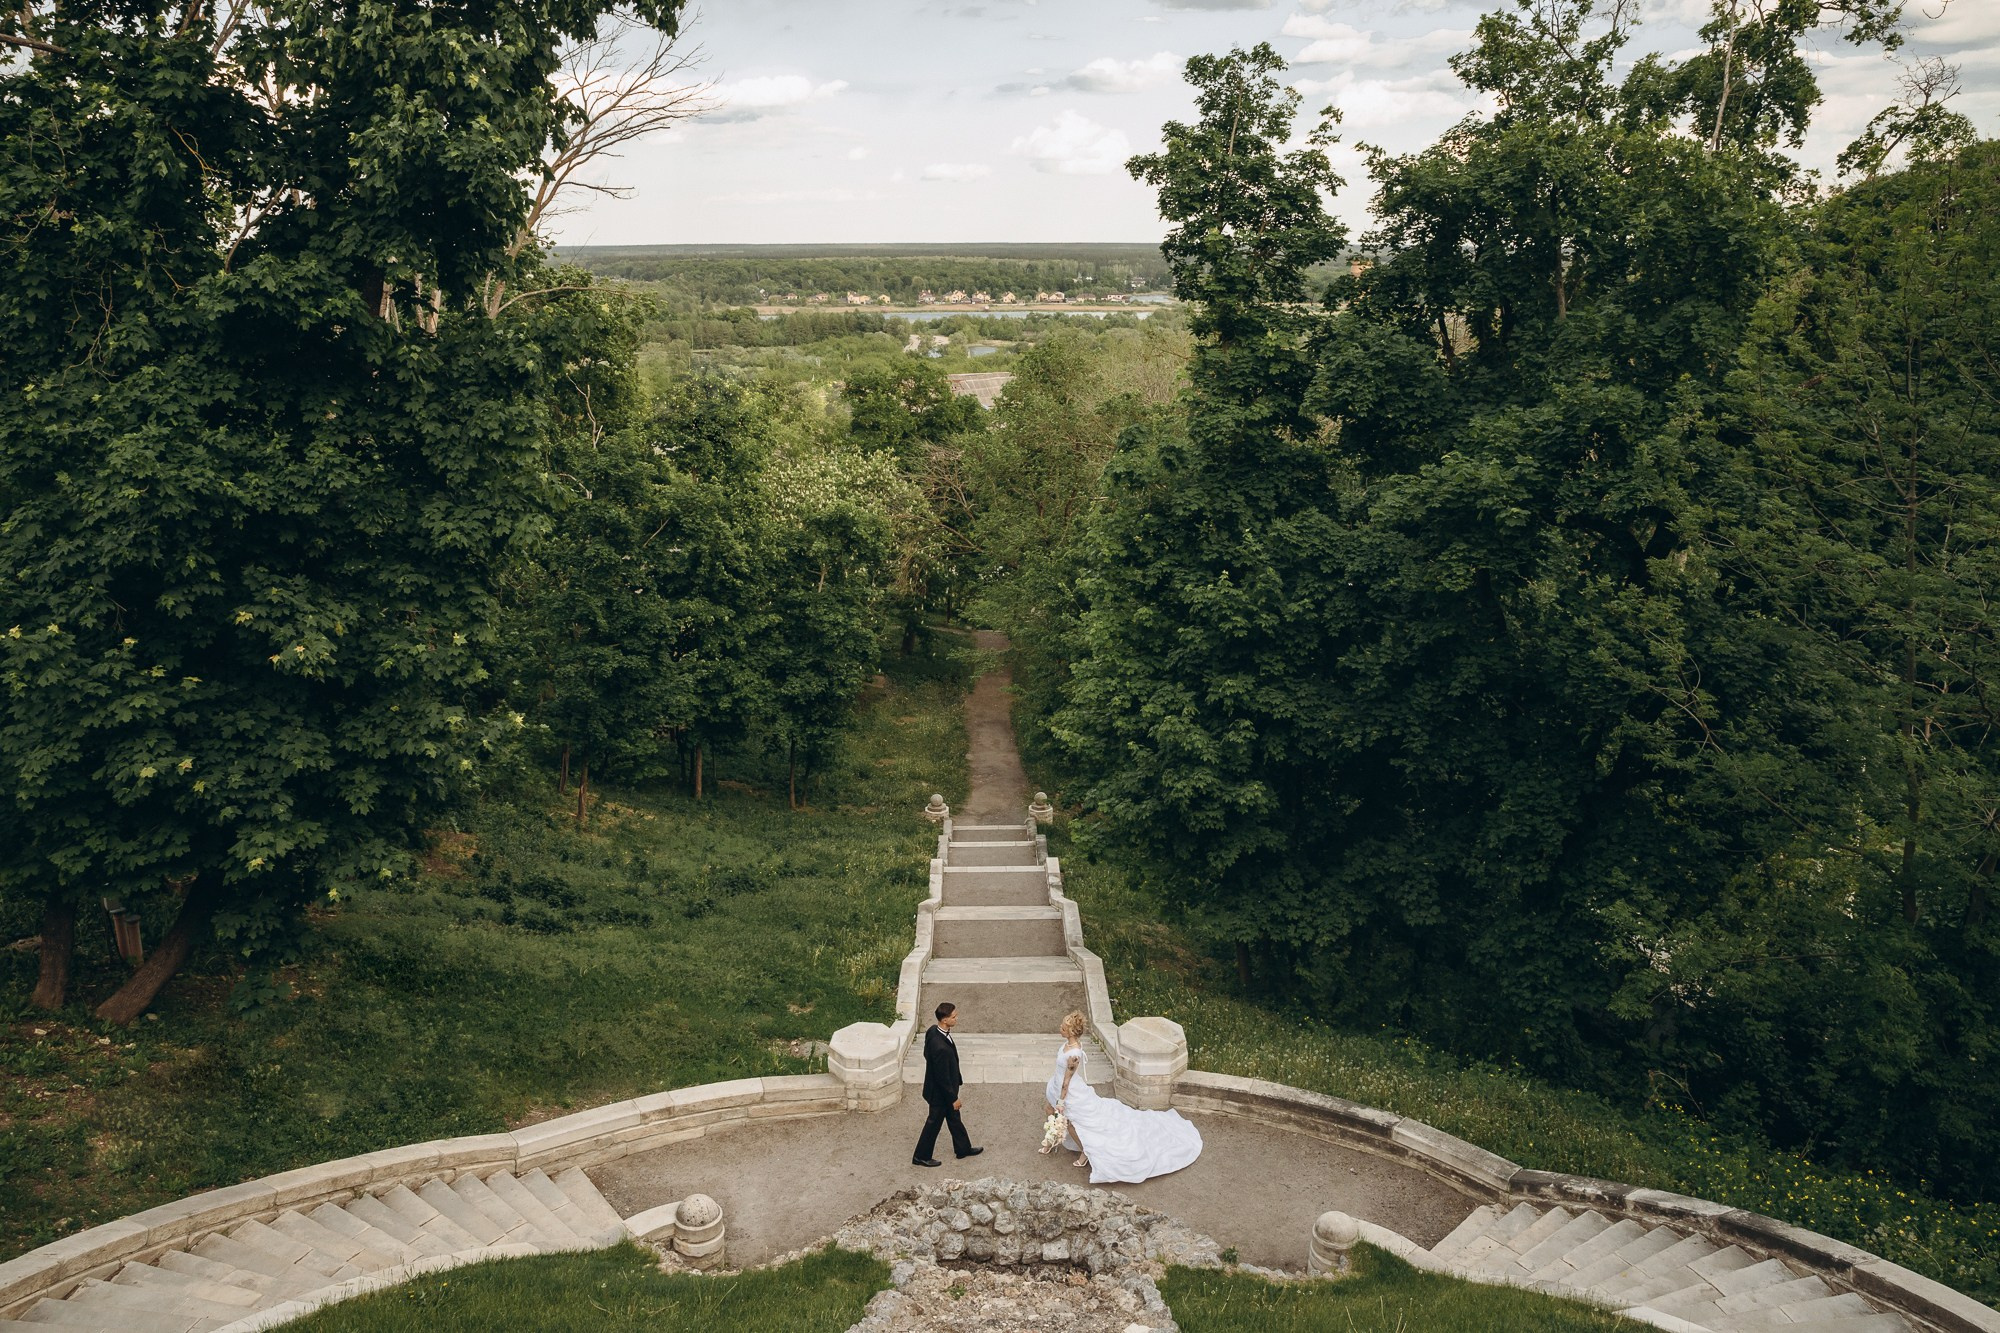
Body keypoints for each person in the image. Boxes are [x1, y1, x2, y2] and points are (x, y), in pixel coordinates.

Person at [1045, 1010, 1201, 1184]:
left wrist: (1061, 1101)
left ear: (1072, 1032)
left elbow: (1067, 1082)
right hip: (1057, 1086)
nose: (1060, 1028)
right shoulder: (1068, 1044)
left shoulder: (1074, 1055)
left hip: (1069, 1092)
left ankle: (1085, 1152)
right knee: (1049, 1109)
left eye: (1063, 1027)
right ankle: (1050, 1139)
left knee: (1072, 1124)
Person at [913, 1001, 984, 1168]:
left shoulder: (932, 1031)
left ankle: (963, 1149)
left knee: (954, 1119)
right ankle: (921, 1156)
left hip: (939, 1090)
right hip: (941, 1094)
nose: (956, 1018)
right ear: (944, 1020)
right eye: (954, 1017)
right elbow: (942, 1077)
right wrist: (953, 1098)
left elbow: (927, 1055)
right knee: (933, 1123)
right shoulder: (940, 1048)